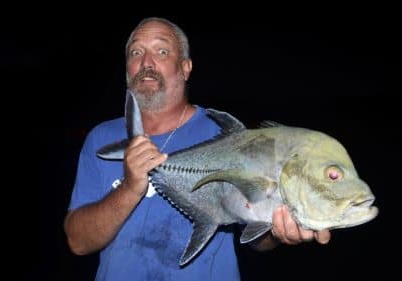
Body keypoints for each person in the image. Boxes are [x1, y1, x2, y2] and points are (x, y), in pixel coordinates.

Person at [64, 17, 331, 280]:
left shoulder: (225, 136)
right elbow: (78, 241)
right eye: (136, 52)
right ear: (127, 69)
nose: (147, 62)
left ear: (185, 67)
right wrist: (130, 186)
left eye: (162, 51)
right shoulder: (101, 138)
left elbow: (254, 235)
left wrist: (277, 231)